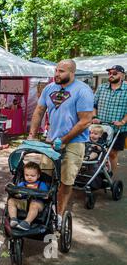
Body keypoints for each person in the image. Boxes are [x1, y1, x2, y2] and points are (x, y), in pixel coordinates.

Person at [28, 59, 93, 229]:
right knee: (45, 177)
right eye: (56, 70)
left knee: (65, 181)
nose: (57, 74)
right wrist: (31, 135)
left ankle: (58, 214)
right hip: (51, 142)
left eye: (61, 71)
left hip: (74, 143)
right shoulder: (50, 88)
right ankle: (43, 209)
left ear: (72, 73)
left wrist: (64, 140)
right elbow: (39, 110)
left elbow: (85, 121)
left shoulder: (82, 90)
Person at [92, 65, 127, 173]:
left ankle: (111, 178)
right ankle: (95, 175)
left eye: (114, 73)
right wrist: (94, 117)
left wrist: (122, 122)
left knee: (112, 153)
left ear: (122, 75)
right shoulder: (102, 87)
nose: (111, 75)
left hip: (118, 129)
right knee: (96, 150)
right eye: (110, 73)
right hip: (100, 127)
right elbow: (94, 104)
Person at [8, 162, 50, 231]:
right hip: (24, 203)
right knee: (11, 201)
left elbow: (46, 195)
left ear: (38, 176)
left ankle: (27, 222)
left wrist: (43, 196)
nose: (29, 177)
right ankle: (13, 219)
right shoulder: (22, 184)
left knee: (34, 204)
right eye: (26, 175)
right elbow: (17, 193)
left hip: (38, 204)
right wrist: (16, 193)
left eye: (32, 176)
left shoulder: (41, 184)